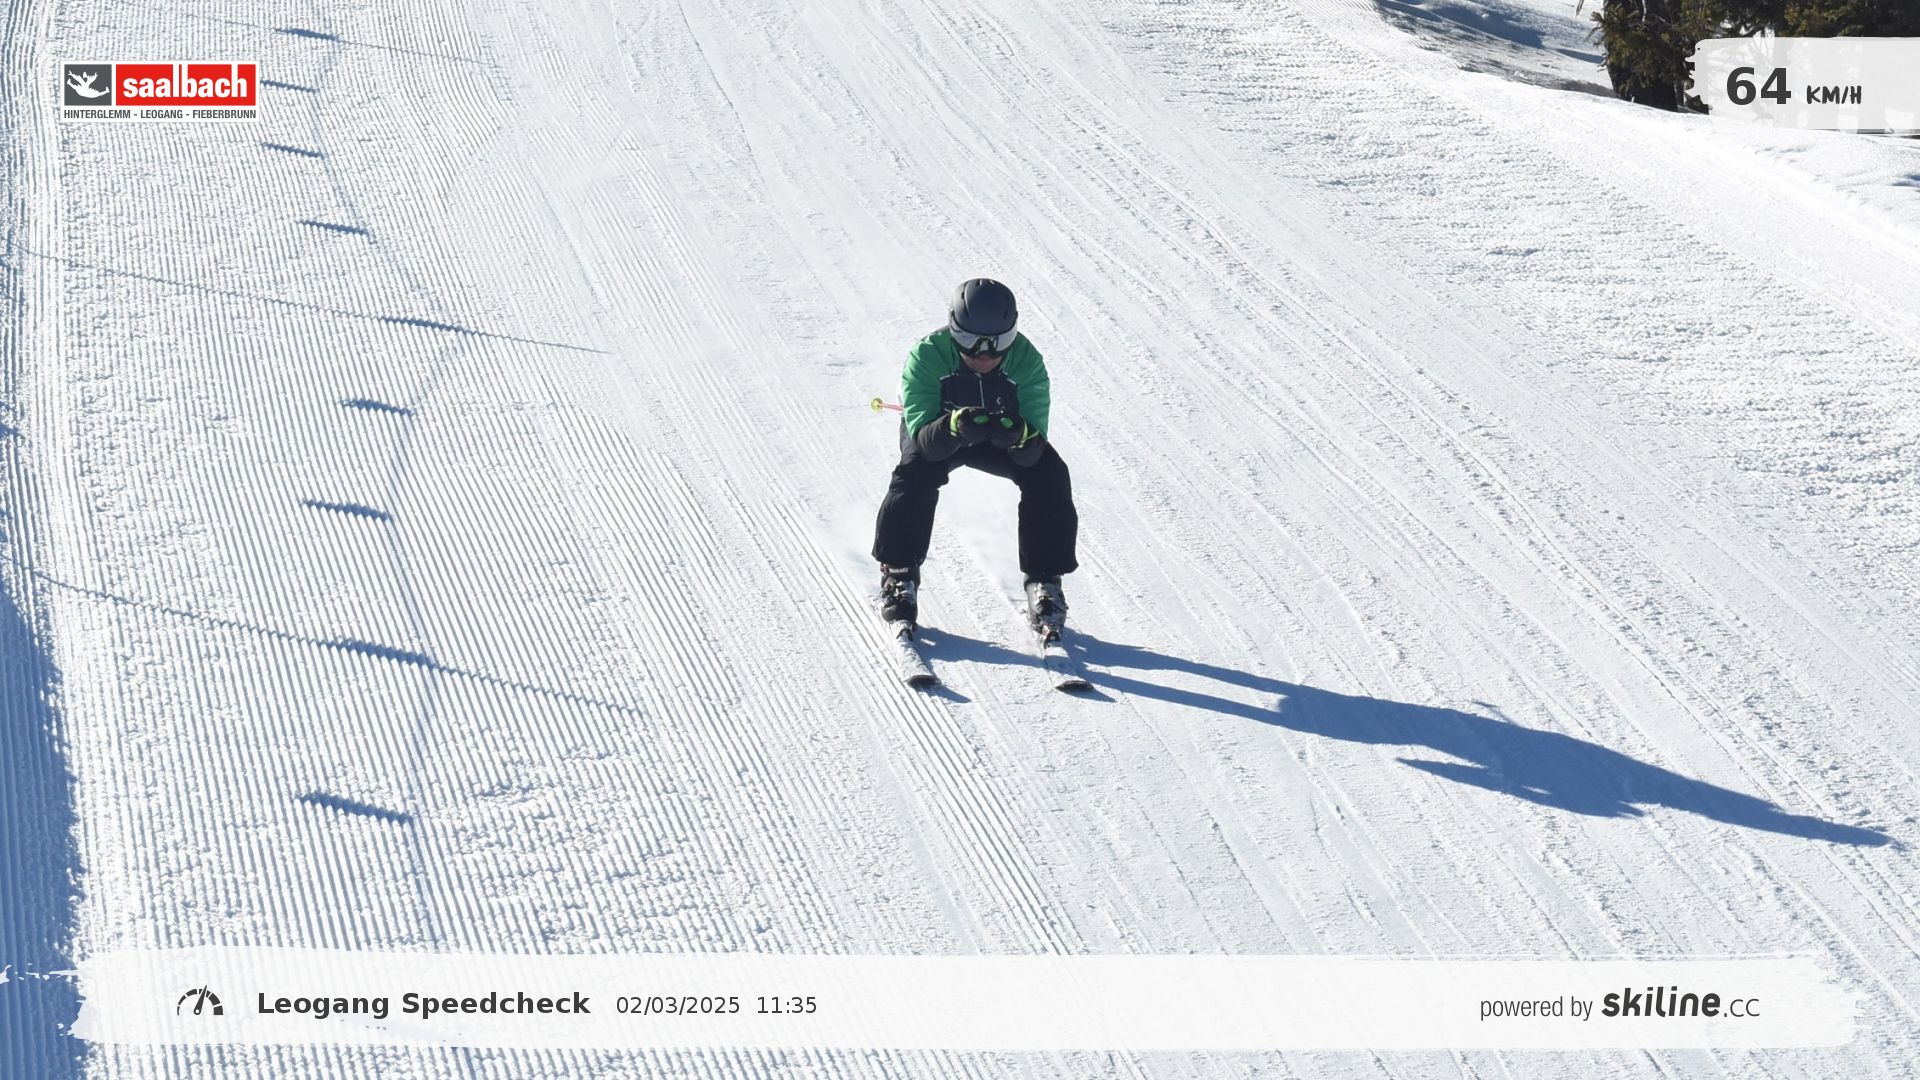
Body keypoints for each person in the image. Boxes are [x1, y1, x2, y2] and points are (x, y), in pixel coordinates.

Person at [872, 279, 1079, 641]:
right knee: (914, 473)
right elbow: (925, 443)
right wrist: (952, 426)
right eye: (970, 341)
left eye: (999, 342)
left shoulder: (1026, 361)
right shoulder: (928, 356)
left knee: (1049, 473)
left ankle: (1045, 580)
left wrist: (1020, 436)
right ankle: (899, 574)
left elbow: (1034, 447)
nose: (985, 354)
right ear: (953, 329)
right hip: (941, 433)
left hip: (998, 437)